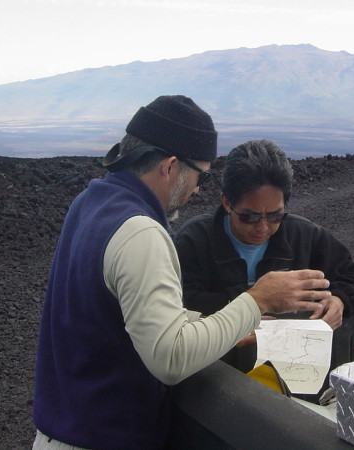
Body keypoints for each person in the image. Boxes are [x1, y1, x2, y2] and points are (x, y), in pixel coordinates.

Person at [32, 96, 331, 450]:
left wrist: (218, 328)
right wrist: (256, 301)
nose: (198, 187)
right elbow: (170, 359)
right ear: (171, 166)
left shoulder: (91, 204)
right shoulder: (140, 233)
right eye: (200, 174)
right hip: (103, 437)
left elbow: (122, 315)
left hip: (62, 432)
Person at [174, 139, 354, 372]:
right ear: (226, 202)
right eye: (250, 216)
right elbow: (182, 305)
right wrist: (255, 300)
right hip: (216, 375)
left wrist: (340, 301)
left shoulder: (304, 236)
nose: (263, 227)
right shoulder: (194, 240)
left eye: (275, 216)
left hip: (289, 373)